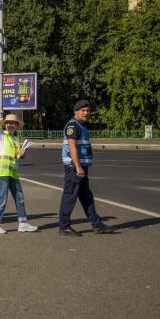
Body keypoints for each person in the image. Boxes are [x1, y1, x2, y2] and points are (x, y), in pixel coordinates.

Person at [58, 100, 115, 236]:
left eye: (88, 111)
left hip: (81, 167)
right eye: (83, 110)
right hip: (74, 168)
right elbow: (72, 146)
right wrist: (78, 166)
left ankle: (97, 224)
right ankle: (64, 226)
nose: (86, 113)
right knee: (69, 196)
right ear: (75, 111)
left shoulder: (81, 126)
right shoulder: (73, 125)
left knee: (86, 196)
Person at [0, 101, 37, 234]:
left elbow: (16, 156)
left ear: (16, 125)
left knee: (20, 197)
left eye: (12, 123)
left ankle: (23, 223)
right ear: (5, 125)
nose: (10, 125)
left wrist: (21, 154)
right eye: (8, 123)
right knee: (2, 198)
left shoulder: (16, 139)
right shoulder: (0, 134)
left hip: (12, 172)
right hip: (1, 172)